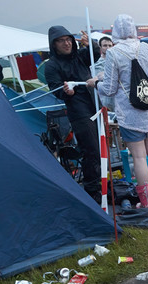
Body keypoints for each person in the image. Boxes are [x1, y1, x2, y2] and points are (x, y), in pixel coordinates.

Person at [87, 14, 148, 208]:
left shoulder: (113, 53)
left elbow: (109, 89)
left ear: (115, 32)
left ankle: (146, 203)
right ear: (133, 30)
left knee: (139, 157)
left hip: (131, 113)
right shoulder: (146, 47)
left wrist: (96, 82)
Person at [45, 25, 102, 203]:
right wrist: (65, 92)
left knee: (101, 148)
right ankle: (93, 190)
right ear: (54, 44)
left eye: (68, 39)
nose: (66, 43)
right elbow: (55, 88)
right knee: (91, 150)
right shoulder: (51, 66)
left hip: (95, 104)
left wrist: (90, 42)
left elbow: (96, 53)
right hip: (78, 110)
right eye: (61, 41)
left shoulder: (80, 56)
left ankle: (103, 184)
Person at [93, 36, 115, 111]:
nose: (108, 48)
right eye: (105, 45)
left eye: (110, 45)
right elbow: (97, 77)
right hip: (102, 98)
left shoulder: (117, 60)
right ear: (100, 47)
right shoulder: (96, 62)